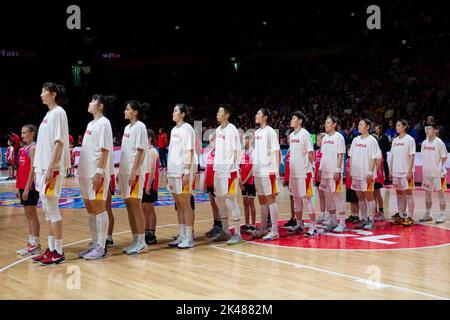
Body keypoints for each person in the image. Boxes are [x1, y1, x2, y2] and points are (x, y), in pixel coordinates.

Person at [31, 82, 70, 266]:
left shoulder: (59, 113)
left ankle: (59, 251)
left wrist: (51, 167)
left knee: (53, 210)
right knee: (47, 211)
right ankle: (51, 248)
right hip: (42, 168)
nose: (41, 95)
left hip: (51, 170)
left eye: (44, 91)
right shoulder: (48, 114)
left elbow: (59, 143)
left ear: (53, 94)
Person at [77, 94, 115, 260]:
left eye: (93, 101)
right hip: (85, 172)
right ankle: (93, 243)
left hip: (96, 173)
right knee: (90, 209)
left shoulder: (104, 123)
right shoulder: (90, 124)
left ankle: (101, 246)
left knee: (99, 208)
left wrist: (99, 172)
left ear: (100, 106)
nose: (89, 103)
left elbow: (105, 150)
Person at [118, 100, 150, 255]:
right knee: (129, 206)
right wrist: (120, 171)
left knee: (136, 206)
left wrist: (133, 172)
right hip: (125, 171)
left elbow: (140, 151)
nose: (125, 111)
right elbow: (125, 152)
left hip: (134, 173)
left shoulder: (140, 127)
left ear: (135, 112)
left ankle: (142, 242)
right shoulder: (126, 128)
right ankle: (135, 240)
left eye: (127, 109)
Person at [211, 104, 243, 245]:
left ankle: (237, 233)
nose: (217, 114)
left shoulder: (232, 130)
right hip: (218, 170)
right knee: (219, 200)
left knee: (231, 200)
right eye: (217, 112)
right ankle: (225, 232)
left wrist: (237, 169)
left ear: (227, 115)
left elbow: (237, 151)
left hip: (230, 171)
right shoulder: (218, 130)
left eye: (220, 112)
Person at [167, 104, 198, 249]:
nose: (173, 113)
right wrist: (168, 172)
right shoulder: (173, 130)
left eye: (176, 111)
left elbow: (189, 151)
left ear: (183, 114)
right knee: (178, 205)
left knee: (185, 204)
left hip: (182, 172)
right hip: (172, 171)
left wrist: (186, 171)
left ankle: (189, 237)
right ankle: (182, 235)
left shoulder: (188, 129)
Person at [285, 112, 316, 237]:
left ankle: (313, 227)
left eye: (293, 118)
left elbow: (310, 153)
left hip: (305, 173)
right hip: (294, 173)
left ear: (300, 121)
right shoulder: (291, 135)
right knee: (296, 199)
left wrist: (309, 168)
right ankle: (299, 224)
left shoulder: (306, 134)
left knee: (307, 199)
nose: (291, 120)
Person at [252, 108, 281, 241]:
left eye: (258, 114)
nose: (256, 116)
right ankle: (263, 228)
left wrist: (275, 171)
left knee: (271, 199)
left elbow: (276, 152)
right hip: (258, 171)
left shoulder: (270, 132)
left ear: (265, 117)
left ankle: (274, 230)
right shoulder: (257, 132)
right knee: (262, 200)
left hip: (268, 171)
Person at [349, 119, 381, 230]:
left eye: (361, 124)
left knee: (369, 196)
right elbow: (351, 157)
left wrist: (370, 172)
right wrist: (350, 171)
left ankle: (371, 220)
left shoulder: (372, 140)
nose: (359, 126)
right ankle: (364, 219)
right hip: (356, 174)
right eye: (358, 124)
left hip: (367, 173)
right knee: (360, 197)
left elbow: (374, 157)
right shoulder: (355, 140)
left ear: (367, 127)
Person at [16, 124, 41, 256]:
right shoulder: (23, 148)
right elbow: (21, 169)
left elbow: (33, 169)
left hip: (29, 186)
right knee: (28, 214)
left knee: (32, 214)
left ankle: (36, 244)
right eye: (22, 133)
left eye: (25, 133)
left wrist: (26, 187)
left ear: (32, 134)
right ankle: (31, 243)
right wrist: (18, 187)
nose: (22, 135)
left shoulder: (33, 148)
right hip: (22, 185)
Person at [318, 116, 346, 233]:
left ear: (334, 125)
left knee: (337, 196)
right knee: (328, 197)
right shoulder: (324, 139)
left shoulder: (339, 137)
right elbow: (323, 155)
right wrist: (320, 168)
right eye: (325, 123)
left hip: (334, 172)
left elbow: (340, 155)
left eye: (328, 123)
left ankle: (342, 222)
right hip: (325, 171)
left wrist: (337, 170)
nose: (326, 125)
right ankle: (333, 221)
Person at [419, 124, 447, 224]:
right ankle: (428, 214)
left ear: (435, 130)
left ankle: (442, 214)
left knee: (441, 193)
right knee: (427, 194)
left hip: (438, 174)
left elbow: (444, 157)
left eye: (430, 129)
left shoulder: (439, 143)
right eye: (427, 129)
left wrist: (439, 167)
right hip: (427, 173)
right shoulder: (424, 143)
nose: (427, 130)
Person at [390, 119, 416, 227]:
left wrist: (409, 171)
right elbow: (392, 157)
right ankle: (401, 216)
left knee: (408, 194)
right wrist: (391, 170)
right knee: (399, 194)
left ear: (404, 126)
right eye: (396, 125)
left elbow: (412, 156)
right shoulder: (395, 141)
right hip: (396, 172)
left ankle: (410, 217)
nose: (397, 127)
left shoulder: (410, 140)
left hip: (406, 172)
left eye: (399, 125)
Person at [142, 129, 160, 245]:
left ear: (149, 138)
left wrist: (149, 184)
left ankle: (152, 234)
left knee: (150, 208)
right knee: (144, 208)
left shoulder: (153, 151)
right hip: (144, 181)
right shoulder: (145, 150)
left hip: (150, 182)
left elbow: (153, 169)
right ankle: (146, 232)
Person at [203, 132, 222, 238]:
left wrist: (216, 183)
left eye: (212, 140)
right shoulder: (210, 153)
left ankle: (220, 226)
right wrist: (205, 182)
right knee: (213, 205)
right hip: (209, 183)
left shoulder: (220, 153)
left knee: (218, 205)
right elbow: (206, 168)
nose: (210, 142)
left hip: (216, 183)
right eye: (209, 140)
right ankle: (215, 224)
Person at [240, 132, 257, 232]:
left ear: (250, 140)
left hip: (250, 181)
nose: (243, 141)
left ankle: (253, 224)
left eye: (244, 139)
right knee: (245, 202)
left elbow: (253, 169)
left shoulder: (253, 152)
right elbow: (240, 167)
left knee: (251, 202)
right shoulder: (242, 152)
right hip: (243, 181)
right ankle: (246, 223)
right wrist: (240, 181)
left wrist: (245, 180)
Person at [282, 138, 296, 228]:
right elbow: (287, 166)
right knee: (292, 199)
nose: (288, 140)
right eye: (287, 139)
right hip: (289, 178)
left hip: (295, 177)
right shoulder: (288, 150)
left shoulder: (296, 149)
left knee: (297, 199)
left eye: (290, 138)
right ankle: (293, 218)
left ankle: (298, 219)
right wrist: (285, 178)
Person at [314, 133, 328, 224]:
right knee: (321, 196)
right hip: (317, 178)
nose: (317, 142)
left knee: (327, 196)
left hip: (325, 177)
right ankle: (322, 214)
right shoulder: (316, 152)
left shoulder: (326, 152)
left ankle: (328, 215)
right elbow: (314, 166)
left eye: (318, 140)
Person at [344, 146, 360, 224]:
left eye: (350, 150)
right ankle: (352, 214)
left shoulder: (355, 160)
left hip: (354, 184)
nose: (348, 152)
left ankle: (356, 215)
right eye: (347, 150)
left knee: (355, 201)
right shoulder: (347, 160)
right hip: (348, 184)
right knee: (351, 201)